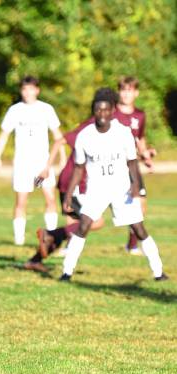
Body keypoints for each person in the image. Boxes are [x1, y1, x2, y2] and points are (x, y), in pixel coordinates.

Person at [59, 87, 167, 282]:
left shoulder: (122, 133)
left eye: (106, 110)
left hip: (121, 188)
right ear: (93, 111)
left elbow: (132, 162)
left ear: (112, 111)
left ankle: (159, 272)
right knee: (83, 226)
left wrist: (135, 185)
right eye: (98, 110)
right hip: (96, 190)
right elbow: (78, 168)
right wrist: (68, 194)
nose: (102, 114)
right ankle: (67, 271)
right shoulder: (85, 136)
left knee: (138, 228)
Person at [23, 113, 106, 271]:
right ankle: (51, 234)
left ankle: (35, 260)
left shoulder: (111, 128)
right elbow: (61, 140)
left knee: (73, 228)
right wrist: (47, 167)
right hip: (74, 182)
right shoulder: (90, 126)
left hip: (77, 183)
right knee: (95, 221)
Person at [0, 76, 65, 245]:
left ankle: (51, 236)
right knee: (21, 201)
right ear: (21, 91)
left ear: (37, 90)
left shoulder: (46, 109)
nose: (28, 92)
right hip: (23, 163)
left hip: (42, 163)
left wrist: (63, 157)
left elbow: (57, 136)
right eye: (24, 89)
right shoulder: (15, 110)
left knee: (50, 198)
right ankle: (19, 239)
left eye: (31, 88)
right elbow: (4, 134)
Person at [114, 76, 157, 255]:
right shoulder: (110, 113)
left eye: (130, 90)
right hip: (114, 166)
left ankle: (131, 245)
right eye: (123, 90)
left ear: (136, 93)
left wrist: (146, 155)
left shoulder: (140, 115)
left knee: (140, 205)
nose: (126, 93)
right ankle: (71, 240)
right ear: (119, 92)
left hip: (132, 167)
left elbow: (139, 139)